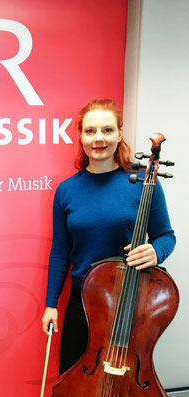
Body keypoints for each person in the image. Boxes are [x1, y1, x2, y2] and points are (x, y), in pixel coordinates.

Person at [41, 98, 175, 375]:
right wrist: (51, 304)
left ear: (119, 134)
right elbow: (60, 251)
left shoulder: (144, 181)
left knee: (126, 377)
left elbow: (166, 236)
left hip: (131, 301)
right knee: (74, 378)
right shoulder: (66, 190)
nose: (98, 139)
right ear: (80, 136)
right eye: (90, 131)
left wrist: (155, 252)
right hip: (82, 302)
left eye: (107, 130)